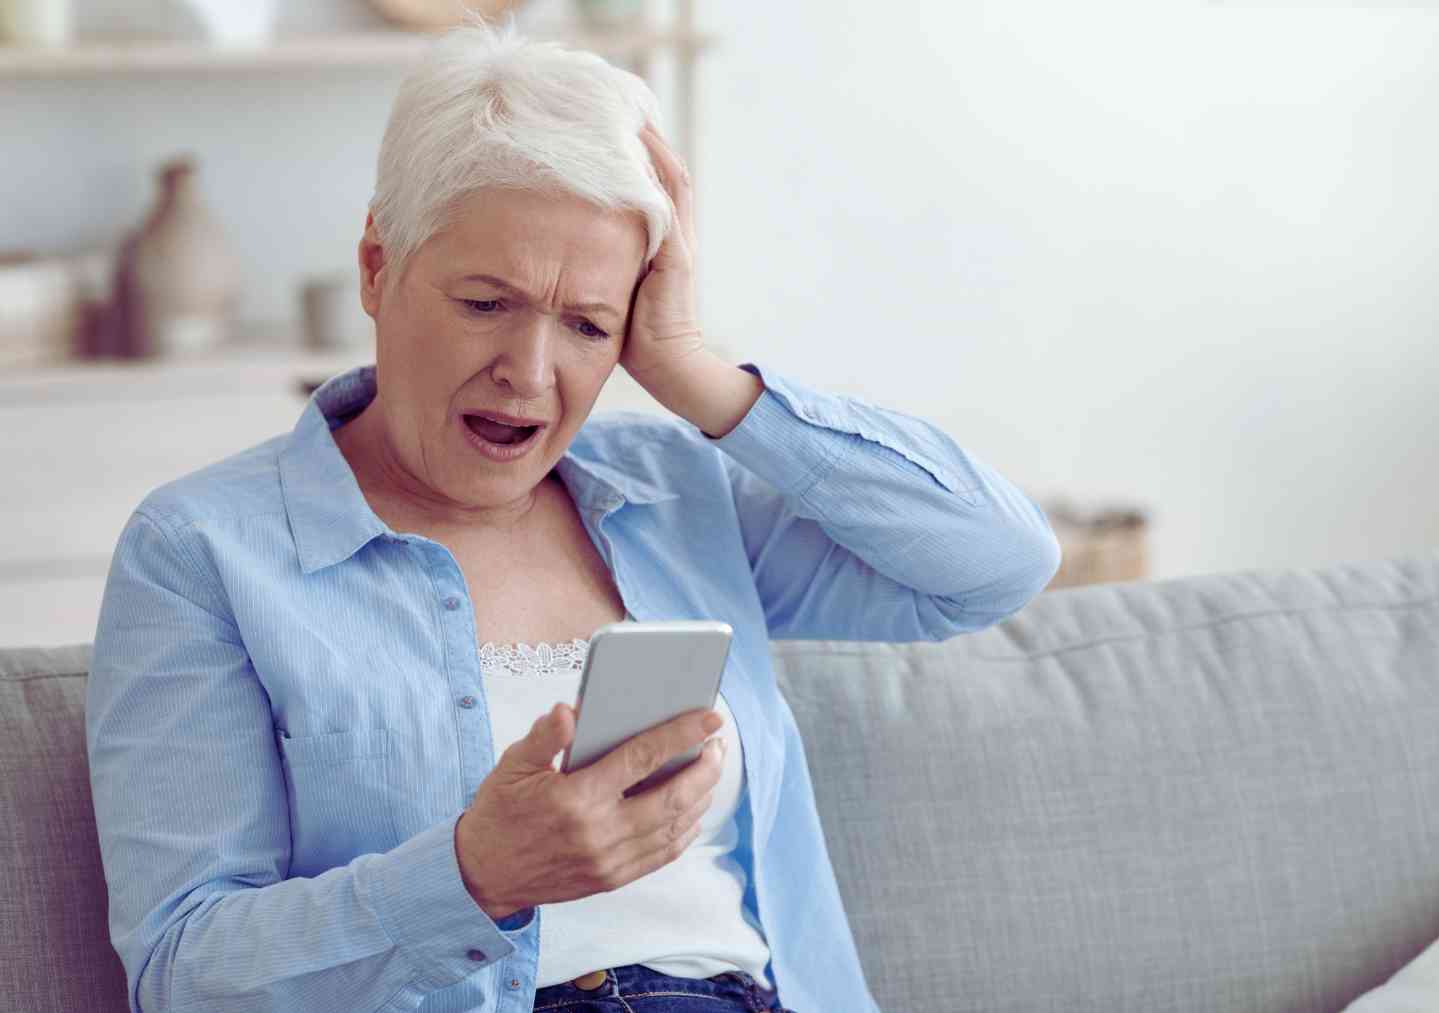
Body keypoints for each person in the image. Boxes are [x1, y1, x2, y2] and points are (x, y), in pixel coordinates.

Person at [84, 19, 1061, 1013]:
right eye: (484, 302)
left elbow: (994, 562)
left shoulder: (680, 494)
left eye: (589, 323)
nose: (531, 371)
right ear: (378, 267)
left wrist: (696, 373)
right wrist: (474, 876)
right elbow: (185, 971)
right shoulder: (202, 550)